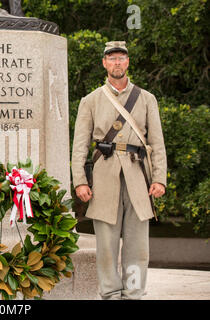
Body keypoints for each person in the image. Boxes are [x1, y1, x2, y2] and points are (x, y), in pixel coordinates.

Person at [71, 41, 167, 300]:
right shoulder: (90, 100)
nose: (116, 63)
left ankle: (134, 292)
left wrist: (159, 178)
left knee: (137, 245)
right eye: (111, 58)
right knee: (106, 244)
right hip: (104, 175)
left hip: (138, 175)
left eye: (121, 58)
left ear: (127, 62)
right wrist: (80, 181)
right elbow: (79, 144)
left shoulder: (146, 99)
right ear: (104, 63)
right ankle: (111, 293)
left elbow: (157, 142)